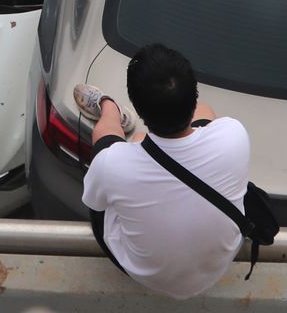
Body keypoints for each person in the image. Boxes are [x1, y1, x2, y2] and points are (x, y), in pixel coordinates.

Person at [80, 45, 252, 301]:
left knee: (105, 140)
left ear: (139, 110)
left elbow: (95, 201)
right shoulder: (234, 133)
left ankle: (110, 109)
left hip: (144, 272)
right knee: (207, 112)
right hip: (217, 265)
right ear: (191, 95)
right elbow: (205, 120)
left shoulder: (112, 165)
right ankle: (149, 135)